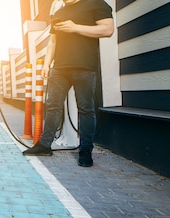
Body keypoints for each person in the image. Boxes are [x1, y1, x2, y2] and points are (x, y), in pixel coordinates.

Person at [22, 0, 114, 167]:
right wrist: (47, 64)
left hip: (85, 67)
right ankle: (44, 146)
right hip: (59, 68)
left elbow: (108, 29)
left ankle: (85, 151)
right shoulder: (59, 13)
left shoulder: (95, 4)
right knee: (52, 106)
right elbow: (53, 42)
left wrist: (75, 27)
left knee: (85, 109)